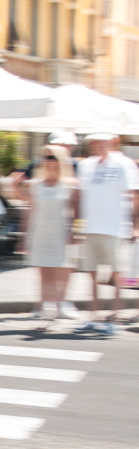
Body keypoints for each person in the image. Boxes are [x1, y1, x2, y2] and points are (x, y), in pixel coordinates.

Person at [73, 133, 139, 335]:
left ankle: (114, 317)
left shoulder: (124, 163)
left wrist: (135, 225)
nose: (97, 145)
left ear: (113, 142)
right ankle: (92, 316)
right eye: (94, 142)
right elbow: (80, 195)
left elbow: (134, 195)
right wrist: (77, 224)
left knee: (116, 274)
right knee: (90, 274)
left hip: (115, 227)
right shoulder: (86, 165)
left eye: (102, 142)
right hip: (91, 227)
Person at [25, 145, 78, 326]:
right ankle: (44, 306)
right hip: (40, 231)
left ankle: (62, 304)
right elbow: (31, 211)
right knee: (43, 272)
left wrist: (73, 231)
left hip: (61, 231)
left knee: (62, 271)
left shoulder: (70, 184)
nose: (50, 162)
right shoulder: (35, 185)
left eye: (53, 158)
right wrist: (26, 237)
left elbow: (75, 211)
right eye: (46, 158)